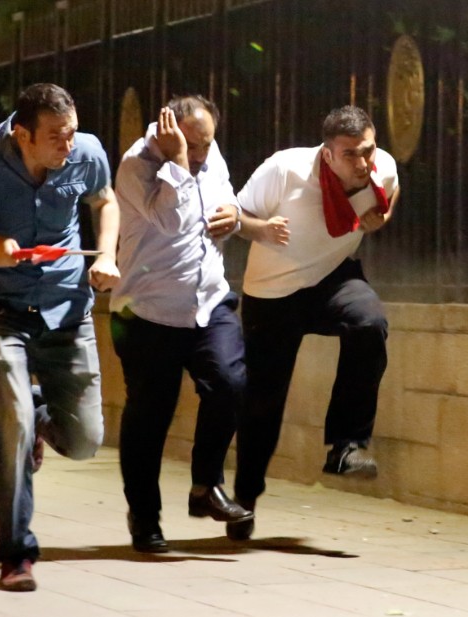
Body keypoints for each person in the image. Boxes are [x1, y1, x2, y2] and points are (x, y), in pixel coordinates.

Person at [0, 83, 120, 592]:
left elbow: (106, 202)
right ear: (22, 134)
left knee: (83, 441)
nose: (68, 145)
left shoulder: (87, 151)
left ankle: (39, 415)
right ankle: (16, 552)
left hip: (66, 308)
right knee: (11, 421)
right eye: (56, 137)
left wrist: (108, 254)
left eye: (72, 133)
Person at [230, 105, 401, 540]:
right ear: (327, 154)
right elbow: (234, 217)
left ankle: (347, 445)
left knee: (369, 323)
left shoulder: (382, 169)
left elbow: (387, 199)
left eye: (368, 149)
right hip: (273, 293)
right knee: (263, 402)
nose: (363, 163)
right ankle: (245, 500)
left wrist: (381, 216)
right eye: (350, 155)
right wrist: (261, 229)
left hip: (332, 278)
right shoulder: (285, 170)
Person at [110, 95, 252, 553]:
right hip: (149, 312)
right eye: (191, 146)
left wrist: (235, 217)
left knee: (230, 383)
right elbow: (171, 220)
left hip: (208, 304)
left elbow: (222, 205)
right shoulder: (138, 165)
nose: (200, 156)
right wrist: (176, 162)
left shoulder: (210, 155)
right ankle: (145, 519)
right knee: (150, 419)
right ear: (168, 130)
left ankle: (205, 485)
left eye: (206, 145)